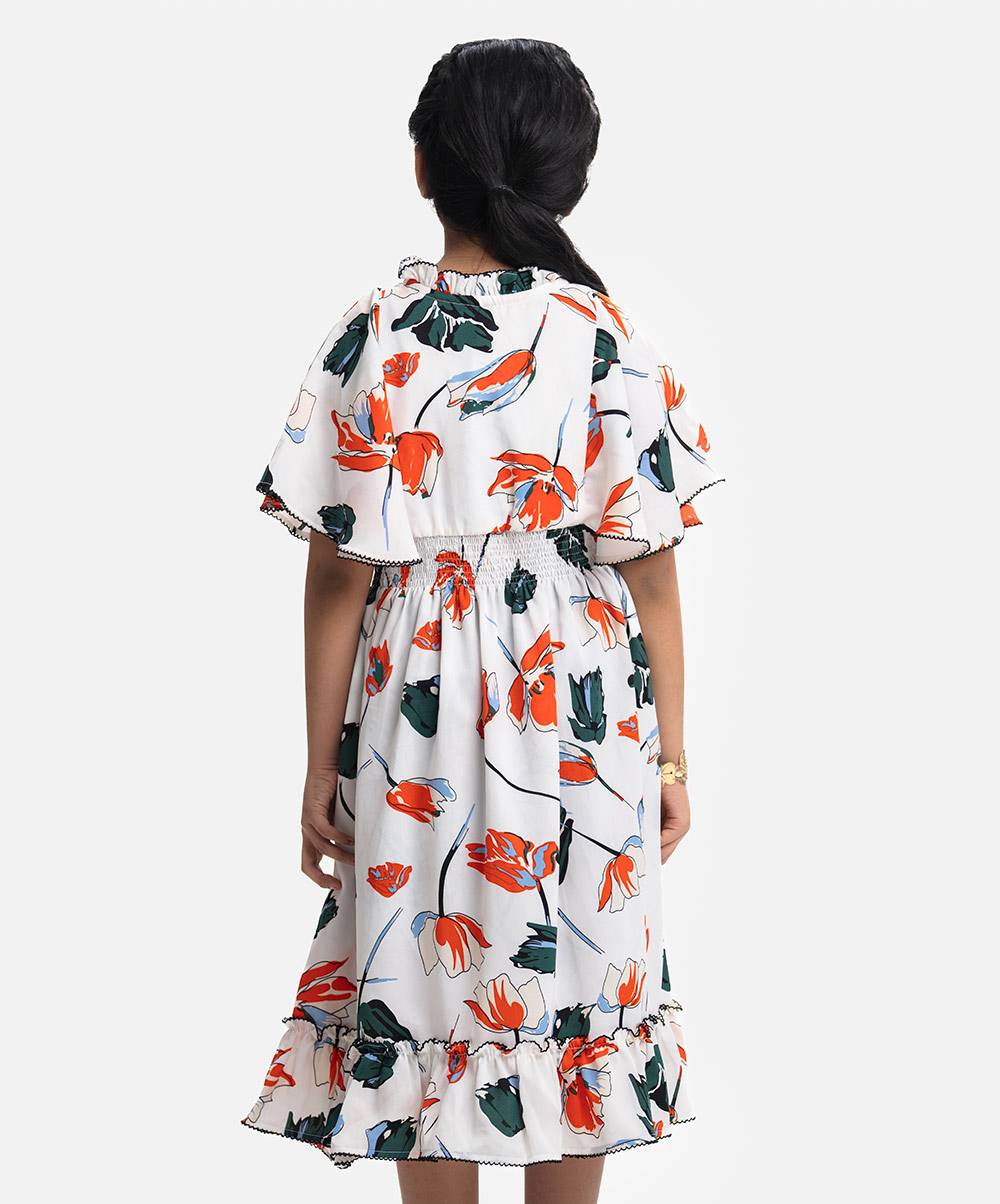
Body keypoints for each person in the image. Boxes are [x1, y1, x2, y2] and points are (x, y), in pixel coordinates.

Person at [240, 36, 724, 1204]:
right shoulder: (606, 336)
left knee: (424, 990)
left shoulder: (376, 334)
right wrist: (670, 759)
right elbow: (652, 575)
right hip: (583, 708)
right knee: (577, 991)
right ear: (569, 176)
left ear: (423, 166)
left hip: (415, 713)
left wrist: (320, 762)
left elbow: (337, 574)